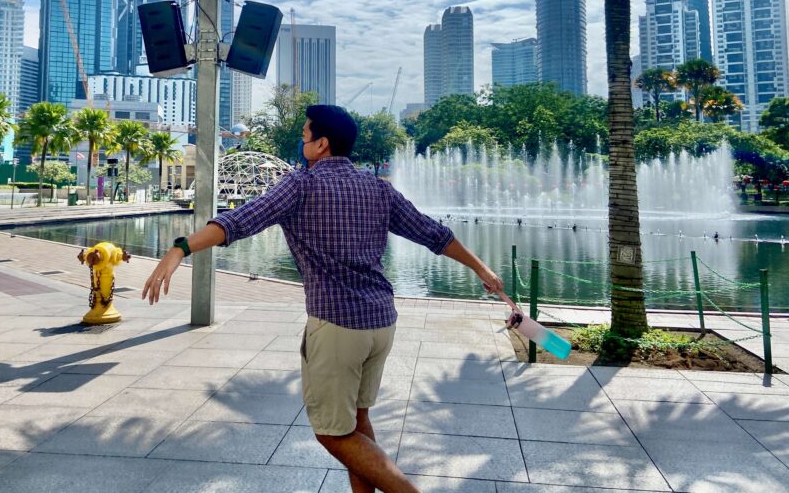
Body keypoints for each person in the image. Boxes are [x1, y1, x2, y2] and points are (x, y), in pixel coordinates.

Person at [142, 104, 514, 493]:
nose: (302, 140)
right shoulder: (378, 188)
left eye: (305, 135)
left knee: (331, 434)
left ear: (322, 144)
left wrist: (181, 247)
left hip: (337, 327)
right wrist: (481, 269)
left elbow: (238, 221)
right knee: (358, 421)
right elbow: (433, 234)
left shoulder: (301, 185)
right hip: (380, 322)